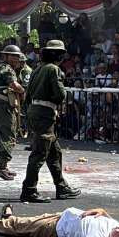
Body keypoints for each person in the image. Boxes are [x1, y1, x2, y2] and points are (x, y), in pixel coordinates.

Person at [20, 40, 81, 203]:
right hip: (45, 114)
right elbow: (60, 95)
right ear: (59, 55)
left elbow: (27, 95)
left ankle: (61, 187)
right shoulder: (54, 69)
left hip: (35, 112)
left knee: (54, 152)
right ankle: (29, 190)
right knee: (40, 153)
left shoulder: (37, 69)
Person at [0, 45, 26, 180]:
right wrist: (23, 91)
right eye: (14, 56)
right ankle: (1, 166)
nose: (17, 59)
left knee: (6, 134)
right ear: (6, 57)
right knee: (9, 135)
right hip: (3, 106)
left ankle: (3, 165)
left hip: (0, 105)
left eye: (17, 56)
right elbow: (14, 86)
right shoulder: (7, 69)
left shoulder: (2, 67)